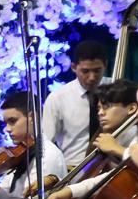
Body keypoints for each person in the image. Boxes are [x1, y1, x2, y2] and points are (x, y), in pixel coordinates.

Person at [41, 41, 111, 171]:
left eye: (97, 70)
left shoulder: (116, 90)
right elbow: (46, 144)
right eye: (85, 71)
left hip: (112, 168)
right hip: (73, 171)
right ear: (73, 67)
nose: (92, 77)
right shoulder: (57, 98)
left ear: (105, 65)